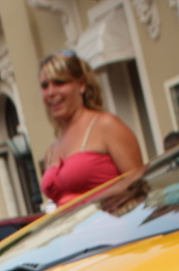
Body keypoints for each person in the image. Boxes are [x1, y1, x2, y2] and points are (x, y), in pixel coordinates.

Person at [38, 51, 143, 209]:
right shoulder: (51, 151)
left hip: (113, 228)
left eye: (59, 82)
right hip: (73, 232)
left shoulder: (106, 125)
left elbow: (139, 184)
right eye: (45, 86)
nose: (51, 92)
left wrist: (91, 203)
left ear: (81, 84)